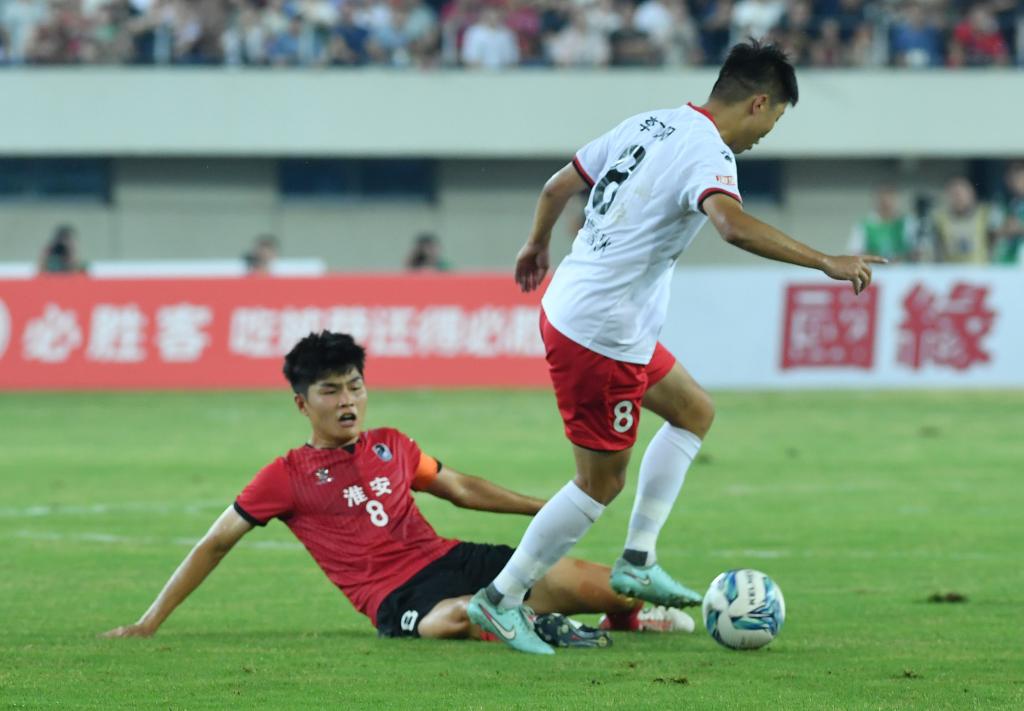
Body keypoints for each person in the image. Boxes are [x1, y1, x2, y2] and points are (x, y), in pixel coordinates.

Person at [468, 40, 884, 655]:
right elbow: (731, 226)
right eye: (773, 121)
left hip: (597, 314)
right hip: (599, 334)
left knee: (694, 411)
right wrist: (825, 260)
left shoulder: (649, 122)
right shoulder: (709, 152)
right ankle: (500, 600)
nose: (765, 135)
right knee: (598, 484)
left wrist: (536, 244)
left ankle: (637, 561)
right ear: (759, 103)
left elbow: (557, 187)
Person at [102, 332, 693, 646]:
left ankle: (621, 623)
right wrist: (150, 621)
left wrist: (549, 509)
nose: (348, 402)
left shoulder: (391, 445)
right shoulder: (284, 476)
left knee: (618, 590)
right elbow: (215, 543)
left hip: (455, 558)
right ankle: (534, 623)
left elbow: (459, 487)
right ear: (302, 404)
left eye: (355, 387)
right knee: (453, 619)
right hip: (396, 597)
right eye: (331, 391)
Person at [932, 177, 996, 264]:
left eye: (962, 194)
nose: (959, 198)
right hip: (950, 268)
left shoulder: (985, 214)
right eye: (955, 194)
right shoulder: (939, 219)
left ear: (971, 194)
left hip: (979, 268)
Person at [847, 186, 917, 262]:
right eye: (882, 199)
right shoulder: (864, 224)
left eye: (890, 198)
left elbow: (915, 252)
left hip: (902, 267)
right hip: (873, 267)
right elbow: (855, 253)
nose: (886, 202)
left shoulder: (908, 223)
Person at [992, 161, 1024, 264]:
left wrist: (1020, 229)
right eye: (1011, 178)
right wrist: (1004, 230)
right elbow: (993, 232)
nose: (1015, 182)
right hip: (1005, 261)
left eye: (1019, 178)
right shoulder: (1000, 203)